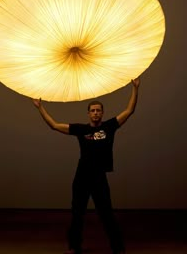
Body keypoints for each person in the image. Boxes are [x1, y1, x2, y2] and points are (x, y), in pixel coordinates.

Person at [32, 77, 140, 254]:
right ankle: (74, 246)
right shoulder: (81, 130)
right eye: (93, 111)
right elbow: (54, 125)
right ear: (88, 114)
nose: (96, 113)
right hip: (82, 177)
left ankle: (118, 248)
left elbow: (129, 111)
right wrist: (40, 107)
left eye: (98, 110)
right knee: (77, 214)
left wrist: (135, 89)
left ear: (102, 113)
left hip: (99, 177)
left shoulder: (109, 127)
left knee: (107, 214)